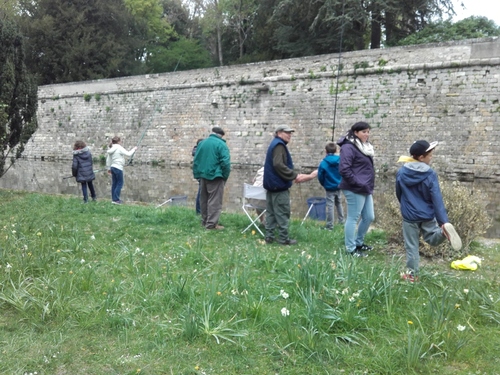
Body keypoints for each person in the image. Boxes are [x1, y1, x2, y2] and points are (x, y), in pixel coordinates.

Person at [396, 140, 462, 282]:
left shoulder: (401, 172)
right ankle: (443, 232)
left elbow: (398, 193)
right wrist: (443, 221)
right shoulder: (430, 174)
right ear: (421, 157)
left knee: (412, 246)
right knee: (432, 238)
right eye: (430, 155)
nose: (431, 157)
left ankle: (412, 276)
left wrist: (405, 206)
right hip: (426, 214)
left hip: (409, 216)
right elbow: (436, 198)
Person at [263, 125, 307, 245]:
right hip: (278, 186)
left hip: (271, 185)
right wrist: (294, 175)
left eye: (290, 133)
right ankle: (283, 239)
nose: (289, 135)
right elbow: (278, 164)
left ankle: (269, 237)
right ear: (278, 133)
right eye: (286, 132)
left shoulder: (274, 143)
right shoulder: (279, 145)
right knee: (282, 212)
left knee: (271, 213)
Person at [337, 121, 375, 257]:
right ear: (355, 133)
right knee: (353, 218)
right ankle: (350, 249)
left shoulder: (364, 147)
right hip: (354, 188)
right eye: (364, 132)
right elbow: (344, 169)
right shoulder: (349, 147)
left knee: (369, 216)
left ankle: (359, 243)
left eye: (368, 131)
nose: (367, 134)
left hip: (365, 187)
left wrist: (364, 184)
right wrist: (358, 183)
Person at [192, 127, 231, 229]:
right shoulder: (222, 144)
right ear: (221, 135)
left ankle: (204, 221)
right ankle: (211, 224)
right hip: (216, 176)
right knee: (214, 201)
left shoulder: (202, 143)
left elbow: (196, 160)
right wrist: (225, 176)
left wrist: (197, 174)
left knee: (204, 199)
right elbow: (225, 163)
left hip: (203, 175)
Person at [318, 142, 344, 230]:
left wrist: (324, 184)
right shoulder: (340, 160)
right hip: (339, 186)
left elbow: (320, 176)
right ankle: (341, 222)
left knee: (330, 206)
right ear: (336, 150)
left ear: (325, 151)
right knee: (339, 203)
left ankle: (330, 226)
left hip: (329, 187)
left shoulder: (323, 163)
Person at [106, 136, 137, 204]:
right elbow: (128, 154)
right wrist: (134, 149)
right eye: (120, 141)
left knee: (114, 183)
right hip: (118, 167)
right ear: (119, 141)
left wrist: (108, 168)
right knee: (120, 183)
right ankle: (116, 200)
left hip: (112, 167)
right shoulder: (119, 147)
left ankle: (113, 199)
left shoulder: (111, 148)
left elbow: (108, 159)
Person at [192, 138, 204, 215]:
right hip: (201, 174)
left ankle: (200, 211)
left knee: (201, 192)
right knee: (201, 193)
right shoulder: (197, 151)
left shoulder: (197, 151)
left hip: (200, 173)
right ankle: (199, 211)